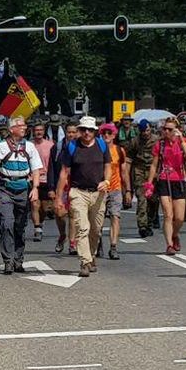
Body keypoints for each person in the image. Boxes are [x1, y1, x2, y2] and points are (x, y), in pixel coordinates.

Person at [0, 116, 44, 275]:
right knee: (7, 224)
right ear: (12, 129)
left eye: (24, 125)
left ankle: (18, 259)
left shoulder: (29, 147)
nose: (24, 127)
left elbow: (36, 170)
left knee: (20, 226)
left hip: (23, 189)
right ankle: (8, 260)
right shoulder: (0, 147)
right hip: (5, 189)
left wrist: (35, 188)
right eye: (21, 125)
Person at [56, 116, 112, 277]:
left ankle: (91, 255)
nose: (86, 133)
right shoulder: (72, 146)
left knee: (96, 229)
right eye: (83, 130)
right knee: (82, 227)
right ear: (80, 131)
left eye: (90, 130)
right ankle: (85, 262)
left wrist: (107, 181)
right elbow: (64, 172)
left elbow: (108, 166)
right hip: (78, 192)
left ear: (95, 131)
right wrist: (59, 197)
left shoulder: (101, 145)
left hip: (98, 192)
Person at [148, 118, 186, 255]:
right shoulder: (160, 144)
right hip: (164, 179)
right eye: (165, 129)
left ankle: (175, 234)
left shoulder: (183, 142)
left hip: (178, 180)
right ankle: (169, 245)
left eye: (170, 129)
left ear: (176, 130)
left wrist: (181, 140)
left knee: (179, 217)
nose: (166, 131)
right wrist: (149, 183)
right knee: (168, 215)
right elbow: (154, 165)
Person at [97, 123, 130, 260]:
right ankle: (98, 243)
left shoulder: (119, 150)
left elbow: (124, 171)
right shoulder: (97, 149)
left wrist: (127, 190)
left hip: (115, 188)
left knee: (115, 216)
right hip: (100, 189)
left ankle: (113, 247)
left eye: (109, 133)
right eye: (104, 133)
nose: (106, 135)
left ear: (114, 135)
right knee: (98, 220)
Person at [48, 121, 79, 253]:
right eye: (69, 132)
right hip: (61, 186)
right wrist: (51, 187)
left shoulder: (81, 147)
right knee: (59, 214)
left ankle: (72, 243)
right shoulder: (58, 147)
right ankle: (62, 236)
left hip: (76, 186)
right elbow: (52, 168)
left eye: (74, 132)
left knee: (73, 214)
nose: (71, 134)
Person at [131, 119, 160, 237]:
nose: (145, 133)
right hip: (140, 172)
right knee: (142, 199)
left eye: (147, 130)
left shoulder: (157, 140)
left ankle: (150, 221)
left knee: (153, 200)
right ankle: (142, 226)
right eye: (143, 131)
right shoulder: (135, 141)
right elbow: (130, 158)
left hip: (154, 173)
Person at [30, 122, 55, 242]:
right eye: (36, 130)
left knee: (45, 208)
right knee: (35, 204)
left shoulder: (50, 145)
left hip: (46, 179)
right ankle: (37, 229)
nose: (38, 132)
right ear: (33, 132)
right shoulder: (29, 145)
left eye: (41, 130)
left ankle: (41, 222)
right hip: (32, 178)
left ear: (44, 131)